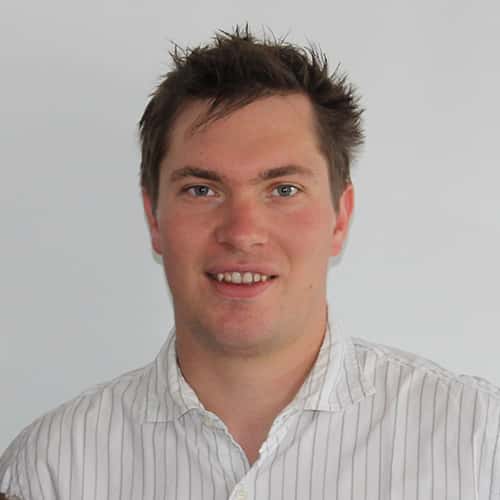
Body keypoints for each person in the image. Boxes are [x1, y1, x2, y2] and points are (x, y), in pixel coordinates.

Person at [1, 25, 499, 500]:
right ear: (154, 217)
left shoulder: (478, 446)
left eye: (284, 190)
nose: (241, 232)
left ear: (340, 217)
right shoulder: (49, 470)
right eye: (202, 190)